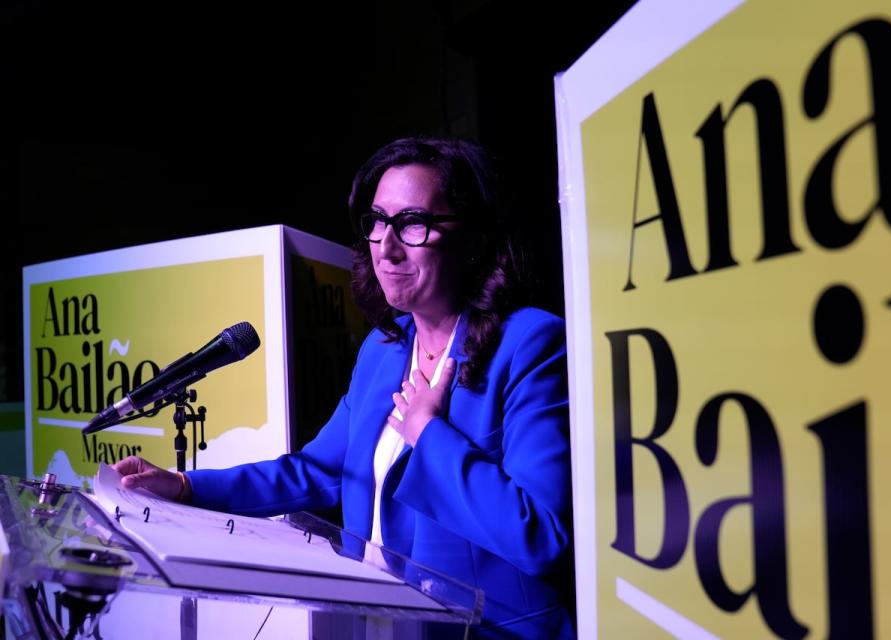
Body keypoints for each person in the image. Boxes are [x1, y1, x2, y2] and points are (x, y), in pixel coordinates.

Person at [113, 137, 574, 638]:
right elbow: (318, 472)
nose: (386, 245)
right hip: (378, 625)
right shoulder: (385, 347)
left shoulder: (530, 343)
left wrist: (428, 431)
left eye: (413, 222)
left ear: (473, 240)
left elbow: (541, 534)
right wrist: (184, 487)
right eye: (377, 221)